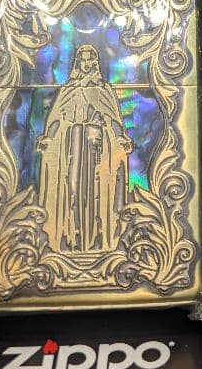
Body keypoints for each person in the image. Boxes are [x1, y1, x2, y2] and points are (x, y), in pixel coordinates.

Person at [36, 44, 133, 253]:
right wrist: (48, 137)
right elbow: (55, 117)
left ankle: (97, 238)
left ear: (96, 62)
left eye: (91, 59)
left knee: (97, 188)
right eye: (83, 60)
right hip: (72, 143)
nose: (87, 64)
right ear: (77, 63)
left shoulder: (104, 89)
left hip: (97, 143)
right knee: (72, 186)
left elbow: (114, 118)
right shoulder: (68, 89)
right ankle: (73, 237)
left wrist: (120, 137)